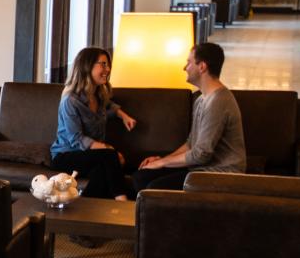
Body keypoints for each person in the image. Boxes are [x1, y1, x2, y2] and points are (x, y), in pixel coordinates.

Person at [132, 41, 246, 193]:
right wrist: (161, 160)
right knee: (142, 176)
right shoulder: (201, 99)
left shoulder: (219, 101)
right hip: (201, 169)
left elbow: (201, 154)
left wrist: (163, 163)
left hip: (220, 174)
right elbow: (191, 143)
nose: (184, 67)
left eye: (189, 62)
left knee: (154, 189)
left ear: (202, 67)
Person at [50, 47, 138, 201]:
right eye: (102, 64)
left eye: (108, 65)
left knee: (102, 172)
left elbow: (109, 106)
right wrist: (108, 149)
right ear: (87, 66)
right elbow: (76, 139)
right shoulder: (70, 101)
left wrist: (123, 115)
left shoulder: (98, 95)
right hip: (66, 155)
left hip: (93, 156)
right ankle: (123, 203)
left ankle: (83, 209)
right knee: (110, 158)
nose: (108, 69)